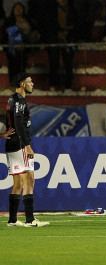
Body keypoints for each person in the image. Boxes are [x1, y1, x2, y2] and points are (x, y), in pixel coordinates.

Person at [5, 72, 50, 227]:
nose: (33, 84)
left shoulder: (12, 100)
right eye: (30, 82)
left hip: (12, 145)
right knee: (29, 180)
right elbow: (18, 123)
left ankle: (12, 220)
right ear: (22, 84)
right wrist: (27, 145)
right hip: (20, 145)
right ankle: (30, 220)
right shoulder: (19, 101)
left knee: (18, 183)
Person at [3, 2, 39, 85]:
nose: (18, 10)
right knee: (13, 62)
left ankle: (21, 82)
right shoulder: (9, 21)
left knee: (22, 63)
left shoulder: (29, 20)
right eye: (16, 8)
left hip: (26, 45)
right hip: (12, 46)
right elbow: (6, 31)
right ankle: (13, 83)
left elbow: (35, 30)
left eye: (20, 8)